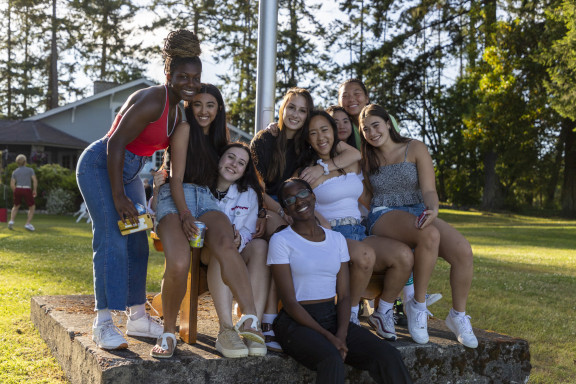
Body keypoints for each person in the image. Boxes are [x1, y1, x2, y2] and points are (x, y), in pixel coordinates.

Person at [76, 29, 202, 351]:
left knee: (138, 243)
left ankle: (136, 317)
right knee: (112, 239)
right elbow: (116, 143)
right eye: (182, 76)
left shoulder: (179, 112)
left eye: (195, 78)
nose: (190, 83)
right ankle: (102, 323)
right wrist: (118, 196)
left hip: (129, 172)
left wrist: (158, 177)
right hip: (101, 164)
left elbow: (162, 155)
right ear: (168, 74)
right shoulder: (153, 100)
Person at [151, 84, 264, 358]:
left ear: (218, 109)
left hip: (206, 199)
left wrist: (266, 211)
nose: (204, 111)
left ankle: (250, 319)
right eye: (198, 104)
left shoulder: (219, 139)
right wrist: (185, 214)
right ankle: (168, 331)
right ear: (190, 106)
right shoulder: (184, 128)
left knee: (226, 243)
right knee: (178, 260)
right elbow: (175, 178)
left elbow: (245, 178)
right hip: (175, 197)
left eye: (210, 105)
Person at [268, 178, 413, 384]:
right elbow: (290, 303)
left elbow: (344, 295)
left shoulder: (335, 240)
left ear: (312, 196)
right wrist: (329, 337)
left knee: (388, 356)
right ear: (286, 210)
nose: (299, 202)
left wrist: (342, 334)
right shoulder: (281, 241)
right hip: (296, 323)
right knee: (331, 359)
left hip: (333, 318)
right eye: (290, 200)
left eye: (302, 194)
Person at [250, 87, 361, 350]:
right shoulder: (265, 140)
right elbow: (257, 189)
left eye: (302, 110)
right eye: (291, 108)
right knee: (282, 238)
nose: (295, 114)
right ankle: (268, 321)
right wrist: (281, 212)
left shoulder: (306, 146)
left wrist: (323, 167)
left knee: (319, 231)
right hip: (268, 208)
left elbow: (354, 154)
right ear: (282, 108)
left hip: (294, 211)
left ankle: (315, 308)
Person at [360, 104, 478, 348]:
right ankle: (418, 305)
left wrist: (433, 209)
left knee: (463, 251)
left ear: (388, 123)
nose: (372, 133)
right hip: (383, 215)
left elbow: (428, 190)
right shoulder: (365, 158)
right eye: (365, 129)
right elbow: (363, 193)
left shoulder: (414, 147)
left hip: (417, 210)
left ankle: (457, 316)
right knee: (429, 235)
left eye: (375, 125)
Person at [298, 110, 413, 339]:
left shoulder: (348, 162)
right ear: (307, 139)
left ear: (334, 132)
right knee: (364, 256)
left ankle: (383, 311)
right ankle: (349, 313)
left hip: (359, 231)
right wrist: (320, 222)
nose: (321, 137)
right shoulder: (307, 171)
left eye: (325, 130)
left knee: (404, 255)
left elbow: (355, 156)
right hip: (331, 234)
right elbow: (301, 206)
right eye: (313, 133)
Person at [201, 142, 270, 358]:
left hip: (238, 249)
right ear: (220, 158)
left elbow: (249, 231)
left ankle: (252, 326)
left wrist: (241, 239)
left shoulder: (247, 193)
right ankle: (226, 330)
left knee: (260, 246)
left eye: (241, 163)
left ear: (245, 171)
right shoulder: (200, 187)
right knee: (222, 247)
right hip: (204, 252)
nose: (234, 165)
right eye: (230, 157)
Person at [8, 154, 37, 231]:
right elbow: (34, 181)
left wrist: (16, 191)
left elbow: (12, 184)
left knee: (16, 206)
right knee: (32, 207)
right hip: (27, 189)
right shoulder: (30, 170)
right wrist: (34, 190)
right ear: (25, 162)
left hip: (18, 189)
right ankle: (27, 224)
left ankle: (11, 221)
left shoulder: (15, 172)